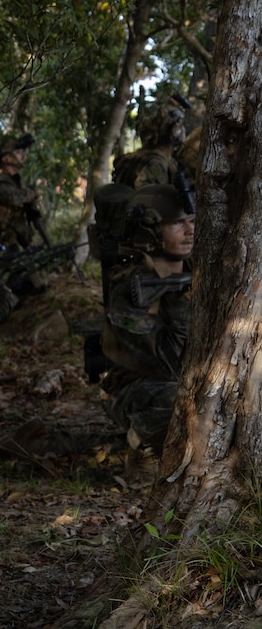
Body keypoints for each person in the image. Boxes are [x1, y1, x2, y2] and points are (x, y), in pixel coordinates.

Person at [100, 183, 195, 456]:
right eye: (177, 223)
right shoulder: (130, 289)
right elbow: (168, 362)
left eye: (192, 221)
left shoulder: (198, 271)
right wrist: (187, 303)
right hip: (135, 389)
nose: (190, 231)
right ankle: (140, 445)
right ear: (149, 231)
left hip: (185, 377)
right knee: (182, 400)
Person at [112, 95, 189, 189]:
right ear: (174, 130)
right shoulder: (156, 164)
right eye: (180, 124)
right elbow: (149, 200)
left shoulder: (136, 157)